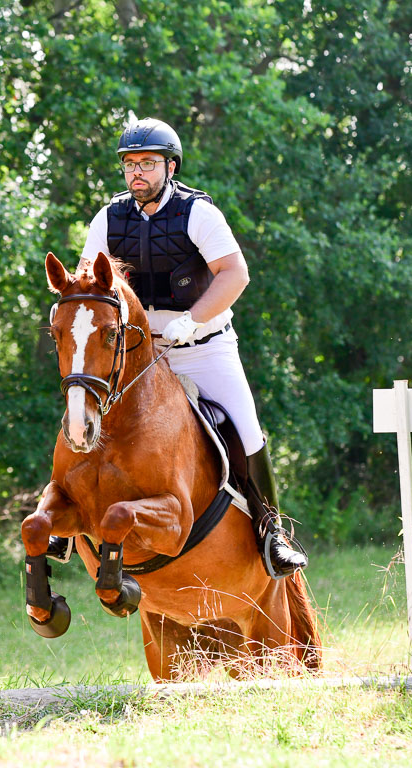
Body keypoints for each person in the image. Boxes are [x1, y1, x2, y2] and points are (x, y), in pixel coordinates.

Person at [47, 117, 307, 578]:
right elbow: (87, 280)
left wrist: (194, 320)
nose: (137, 174)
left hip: (202, 344)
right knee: (80, 410)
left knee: (246, 427)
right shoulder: (109, 218)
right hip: (136, 354)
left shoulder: (198, 213)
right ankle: (61, 522)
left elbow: (235, 274)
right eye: (130, 165)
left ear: (170, 165)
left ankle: (271, 531)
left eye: (147, 163)